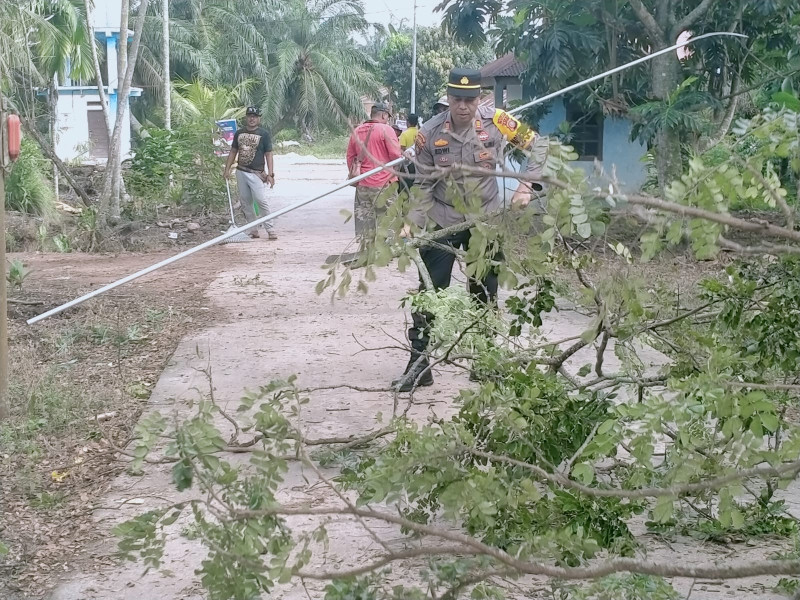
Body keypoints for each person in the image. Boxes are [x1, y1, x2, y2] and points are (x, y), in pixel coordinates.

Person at [393, 68, 549, 392]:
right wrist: (413, 220)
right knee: (429, 293)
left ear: (479, 98)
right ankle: (419, 365)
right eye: (456, 99)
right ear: (447, 98)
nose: (463, 106)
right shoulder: (429, 132)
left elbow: (539, 146)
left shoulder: (498, 122)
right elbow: (422, 183)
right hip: (443, 217)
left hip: (485, 220)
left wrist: (525, 186)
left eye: (470, 99)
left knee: (485, 294)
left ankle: (485, 363)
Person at [346, 102, 402, 242]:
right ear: (383, 114)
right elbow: (396, 155)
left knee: (365, 219)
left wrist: (357, 176)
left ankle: (366, 249)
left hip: (363, 184)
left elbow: (350, 157)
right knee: (388, 218)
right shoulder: (386, 129)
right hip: (384, 183)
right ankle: (386, 250)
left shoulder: (357, 131)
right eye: (387, 116)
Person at [223, 106, 277, 240]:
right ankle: (253, 229)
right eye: (249, 116)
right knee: (246, 201)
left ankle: (270, 229)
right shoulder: (239, 133)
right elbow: (233, 151)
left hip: (256, 173)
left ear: (259, 119)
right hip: (241, 171)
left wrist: (270, 174)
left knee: (260, 200)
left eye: (254, 116)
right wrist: (227, 169)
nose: (252, 119)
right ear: (246, 117)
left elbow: (268, 154)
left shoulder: (263, 134)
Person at [398, 113, 419, 192]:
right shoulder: (420, 133)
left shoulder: (404, 134)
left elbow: (402, 149)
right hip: (418, 164)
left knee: (405, 188)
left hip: (407, 165)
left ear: (408, 122)